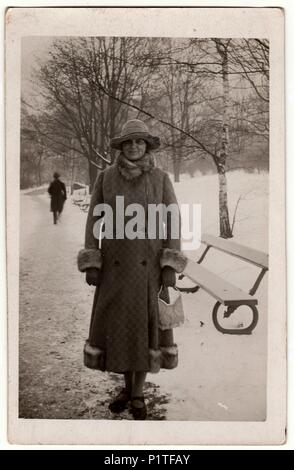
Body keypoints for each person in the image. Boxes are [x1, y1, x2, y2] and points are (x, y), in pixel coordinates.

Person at [77, 120, 186, 420]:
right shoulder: (106, 178)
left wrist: (169, 266)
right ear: (121, 147)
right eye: (129, 143)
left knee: (143, 331)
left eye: (140, 142)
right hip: (114, 271)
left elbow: (172, 222)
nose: (134, 147)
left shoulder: (161, 179)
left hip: (148, 271)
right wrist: (92, 261)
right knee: (120, 331)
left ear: (148, 147)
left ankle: (137, 394)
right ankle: (127, 388)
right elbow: (93, 222)